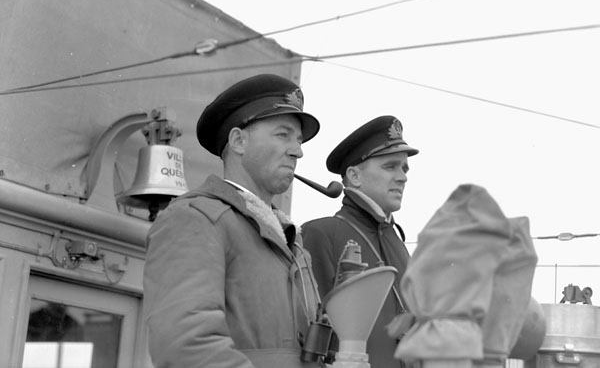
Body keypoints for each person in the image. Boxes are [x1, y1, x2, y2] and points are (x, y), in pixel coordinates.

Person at [143, 74, 327, 368]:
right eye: (283, 135)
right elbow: (186, 346)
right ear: (239, 141)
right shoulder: (195, 219)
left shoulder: (293, 245)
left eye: (299, 140)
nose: (298, 150)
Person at [301, 115, 419, 368]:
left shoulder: (397, 241)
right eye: (390, 167)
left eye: (405, 168)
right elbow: (308, 333)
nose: (402, 177)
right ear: (354, 176)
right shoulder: (320, 233)